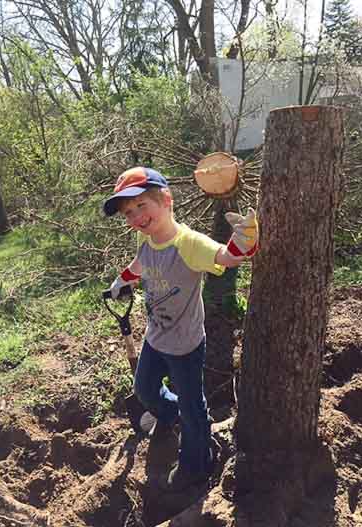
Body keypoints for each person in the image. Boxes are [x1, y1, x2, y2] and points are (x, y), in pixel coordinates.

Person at [103, 166, 259, 492]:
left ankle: (197, 463)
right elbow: (138, 266)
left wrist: (243, 243)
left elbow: (224, 257)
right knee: (145, 389)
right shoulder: (147, 245)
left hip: (186, 345)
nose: (136, 217)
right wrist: (121, 282)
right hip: (156, 337)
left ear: (166, 201)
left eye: (142, 205)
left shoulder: (188, 243)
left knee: (193, 405)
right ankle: (177, 416)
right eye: (128, 212)